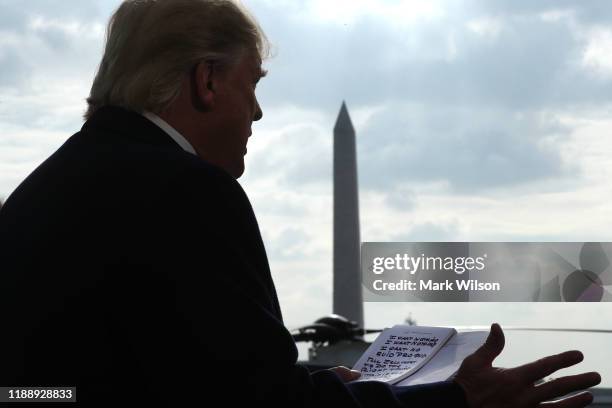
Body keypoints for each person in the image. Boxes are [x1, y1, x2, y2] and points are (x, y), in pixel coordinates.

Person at [0, 0, 600, 407]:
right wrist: (456, 397)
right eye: (253, 84)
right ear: (207, 81)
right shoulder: (185, 191)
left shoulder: (44, 187)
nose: (258, 113)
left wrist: (315, 382)